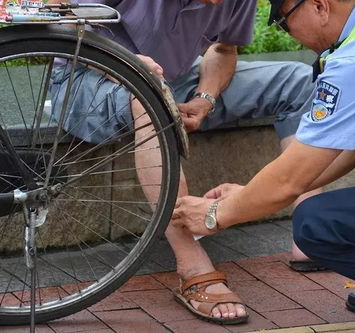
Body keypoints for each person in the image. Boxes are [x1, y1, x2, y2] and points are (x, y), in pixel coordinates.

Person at [173, 0, 355, 331]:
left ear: (319, 6)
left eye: (284, 23)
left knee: (316, 224)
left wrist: (215, 215)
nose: (292, 38)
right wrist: (249, 195)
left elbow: (290, 180)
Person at [48, 0, 318, 324]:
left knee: (302, 81)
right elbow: (60, 17)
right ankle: (191, 263)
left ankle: (312, 233)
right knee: (150, 96)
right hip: (90, 77)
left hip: (177, 79)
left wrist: (205, 97)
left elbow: (223, 49)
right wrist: (128, 63)